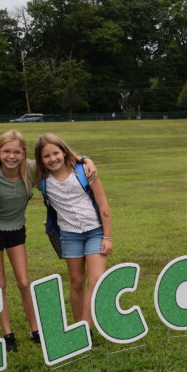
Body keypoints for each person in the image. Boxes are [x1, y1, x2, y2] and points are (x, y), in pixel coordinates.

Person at [0, 130, 97, 352]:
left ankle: (35, 330)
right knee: (0, 282)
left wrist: (87, 159)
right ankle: (7, 334)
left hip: (16, 230)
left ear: (24, 153)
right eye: (6, 151)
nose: (11, 156)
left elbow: (62, 159)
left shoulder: (31, 170)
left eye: (16, 152)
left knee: (24, 281)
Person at [34, 133, 112, 329]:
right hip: (69, 236)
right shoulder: (41, 179)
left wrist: (108, 237)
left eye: (56, 153)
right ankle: (78, 327)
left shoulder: (84, 171)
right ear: (40, 160)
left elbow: (103, 205)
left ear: (63, 151)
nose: (53, 159)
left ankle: (86, 327)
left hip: (95, 231)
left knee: (96, 280)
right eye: (46, 156)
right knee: (76, 282)